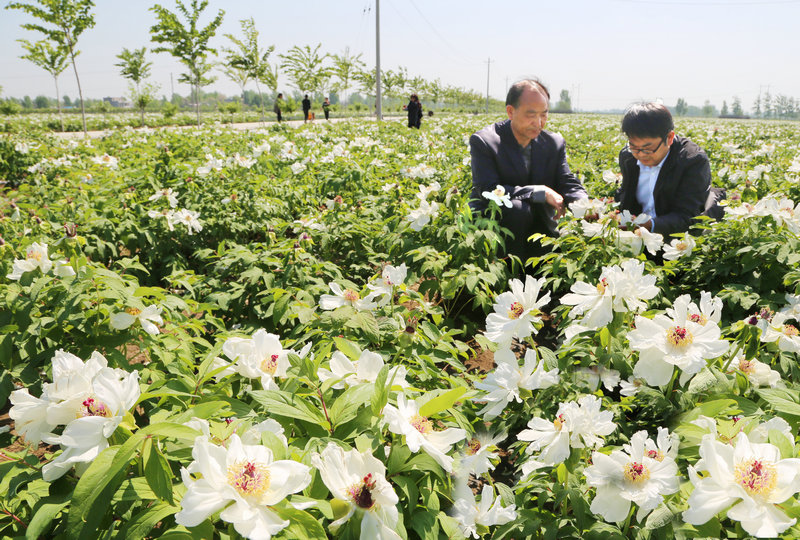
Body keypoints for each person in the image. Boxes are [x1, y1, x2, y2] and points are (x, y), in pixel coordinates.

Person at [469, 79, 588, 263]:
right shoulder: (485, 141)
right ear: (510, 111)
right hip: (495, 221)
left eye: (544, 115)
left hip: (539, 221)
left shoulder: (553, 143)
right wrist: (540, 192)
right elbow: (488, 189)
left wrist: (584, 204)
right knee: (518, 208)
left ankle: (539, 268)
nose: (538, 123)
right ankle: (507, 271)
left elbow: (567, 180)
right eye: (531, 115)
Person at [615, 102, 711, 236]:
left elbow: (689, 216)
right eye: (634, 147)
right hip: (636, 235)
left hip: (675, 238)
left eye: (648, 149)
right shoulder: (628, 157)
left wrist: (650, 225)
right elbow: (626, 196)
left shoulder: (692, 160)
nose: (641, 154)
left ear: (670, 138)